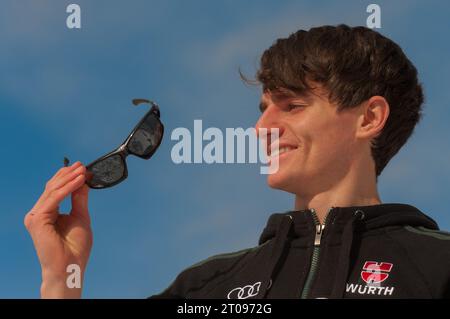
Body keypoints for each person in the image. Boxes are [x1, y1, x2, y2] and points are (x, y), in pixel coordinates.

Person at [24, 24, 450, 299]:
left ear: (369, 118)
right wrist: (63, 280)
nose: (260, 128)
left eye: (292, 105)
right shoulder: (204, 288)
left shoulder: (437, 266)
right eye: (263, 108)